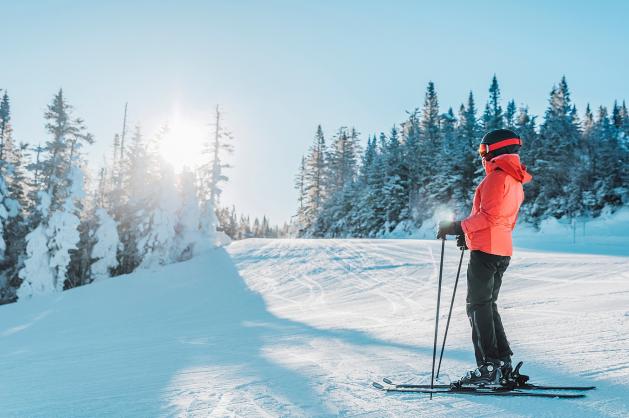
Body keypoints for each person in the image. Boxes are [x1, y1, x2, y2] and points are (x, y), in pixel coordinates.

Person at [437, 128, 532, 386]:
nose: (482, 156)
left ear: (496, 150)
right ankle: (502, 363)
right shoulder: (515, 180)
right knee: (488, 305)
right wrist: (468, 236)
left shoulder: (496, 179)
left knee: (477, 306)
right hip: (501, 250)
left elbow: (488, 217)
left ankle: (488, 367)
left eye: (483, 151)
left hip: (487, 252)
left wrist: (457, 227)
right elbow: (501, 221)